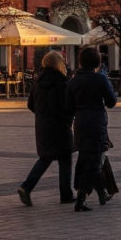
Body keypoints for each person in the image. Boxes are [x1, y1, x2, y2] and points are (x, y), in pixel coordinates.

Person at [17, 51, 74, 207]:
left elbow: (30, 104)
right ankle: (66, 194)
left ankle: (26, 187)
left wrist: (41, 115)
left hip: (43, 126)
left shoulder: (38, 81)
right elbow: (66, 105)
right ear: (59, 63)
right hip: (61, 126)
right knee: (65, 158)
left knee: (45, 157)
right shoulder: (62, 82)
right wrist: (69, 118)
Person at [68, 47, 117, 212]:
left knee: (86, 157)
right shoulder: (100, 79)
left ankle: (102, 192)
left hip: (80, 122)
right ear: (97, 61)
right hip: (96, 123)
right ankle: (81, 198)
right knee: (95, 160)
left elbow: (68, 105)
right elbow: (111, 101)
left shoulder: (74, 80)